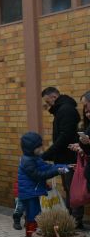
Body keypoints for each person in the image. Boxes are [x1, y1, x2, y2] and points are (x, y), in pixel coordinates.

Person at [40, 87, 84, 229]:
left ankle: (75, 221)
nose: (48, 105)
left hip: (69, 158)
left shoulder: (66, 110)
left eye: (48, 101)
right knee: (68, 187)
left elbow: (64, 137)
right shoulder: (62, 109)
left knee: (72, 188)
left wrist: (47, 154)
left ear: (54, 96)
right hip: (65, 158)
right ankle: (71, 218)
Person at [18, 132, 69, 237]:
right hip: (29, 194)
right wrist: (58, 171)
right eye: (38, 147)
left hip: (32, 192)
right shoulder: (28, 161)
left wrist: (65, 166)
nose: (41, 148)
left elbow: (46, 167)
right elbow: (39, 175)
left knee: (34, 216)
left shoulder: (34, 158)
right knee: (33, 217)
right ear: (31, 148)